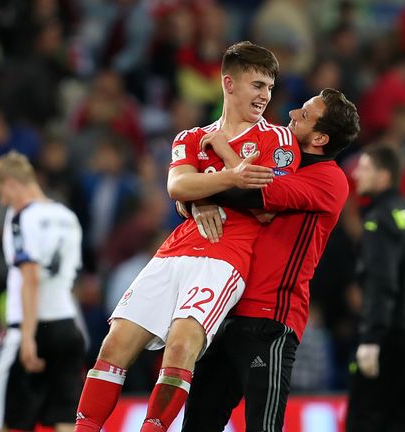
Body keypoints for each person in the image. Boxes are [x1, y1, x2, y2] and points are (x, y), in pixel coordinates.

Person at [74, 41, 299, 432]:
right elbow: (177, 186)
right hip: (174, 250)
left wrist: (210, 183)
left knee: (181, 345)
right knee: (113, 346)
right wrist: (216, 189)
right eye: (257, 85)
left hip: (225, 256)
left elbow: (266, 204)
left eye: (269, 87)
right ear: (229, 83)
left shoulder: (278, 139)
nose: (265, 95)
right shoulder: (190, 137)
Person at [178, 88, 360, 431]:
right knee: (198, 424)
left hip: (271, 318)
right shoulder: (273, 156)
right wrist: (193, 202)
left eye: (304, 114)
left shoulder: (329, 179)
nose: (291, 114)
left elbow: (256, 193)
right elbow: (210, 184)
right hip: (226, 310)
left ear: (320, 137)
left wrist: (221, 150)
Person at [0, 151, 86, 432]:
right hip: (67, 323)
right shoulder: (67, 216)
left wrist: (27, 336)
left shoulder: (20, 217)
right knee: (64, 417)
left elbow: (31, 277)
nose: (3, 201)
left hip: (29, 327)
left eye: (2, 192)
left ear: (12, 183)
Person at [346, 144, 405, 431]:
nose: (356, 174)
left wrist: (372, 338)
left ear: (384, 176)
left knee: (366, 421)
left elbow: (381, 281)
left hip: (390, 340)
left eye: (365, 168)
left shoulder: (379, 220)